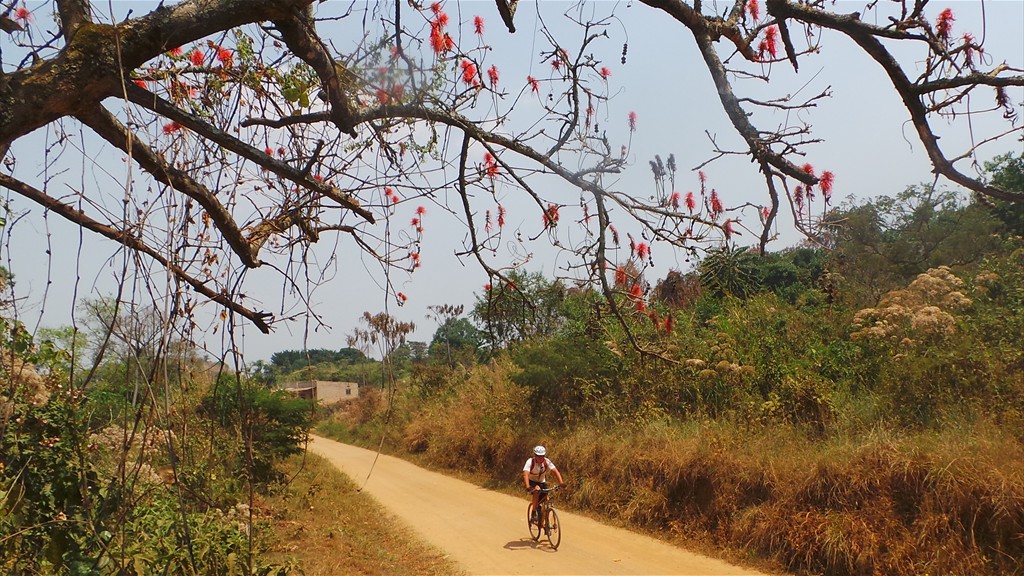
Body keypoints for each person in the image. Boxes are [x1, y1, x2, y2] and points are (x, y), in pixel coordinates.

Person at [522, 445, 564, 524]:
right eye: (538, 456)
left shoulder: (547, 461)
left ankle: (542, 512)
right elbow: (525, 474)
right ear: (535, 456)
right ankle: (534, 512)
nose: (541, 458)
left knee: (546, 497)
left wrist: (561, 483)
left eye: (542, 456)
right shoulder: (530, 461)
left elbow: (555, 471)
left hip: (542, 481)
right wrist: (528, 486)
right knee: (537, 491)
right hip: (531, 481)